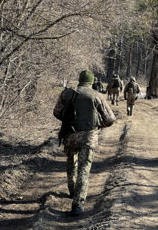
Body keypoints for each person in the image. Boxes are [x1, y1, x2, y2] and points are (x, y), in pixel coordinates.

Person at [53, 70, 116, 216]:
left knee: (71, 163)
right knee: (84, 169)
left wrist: (68, 120)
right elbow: (110, 119)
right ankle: (78, 204)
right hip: (89, 138)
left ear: (80, 80)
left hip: (70, 135)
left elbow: (56, 113)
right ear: (92, 81)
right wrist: (99, 126)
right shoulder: (96, 95)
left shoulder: (66, 93)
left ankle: (72, 190)